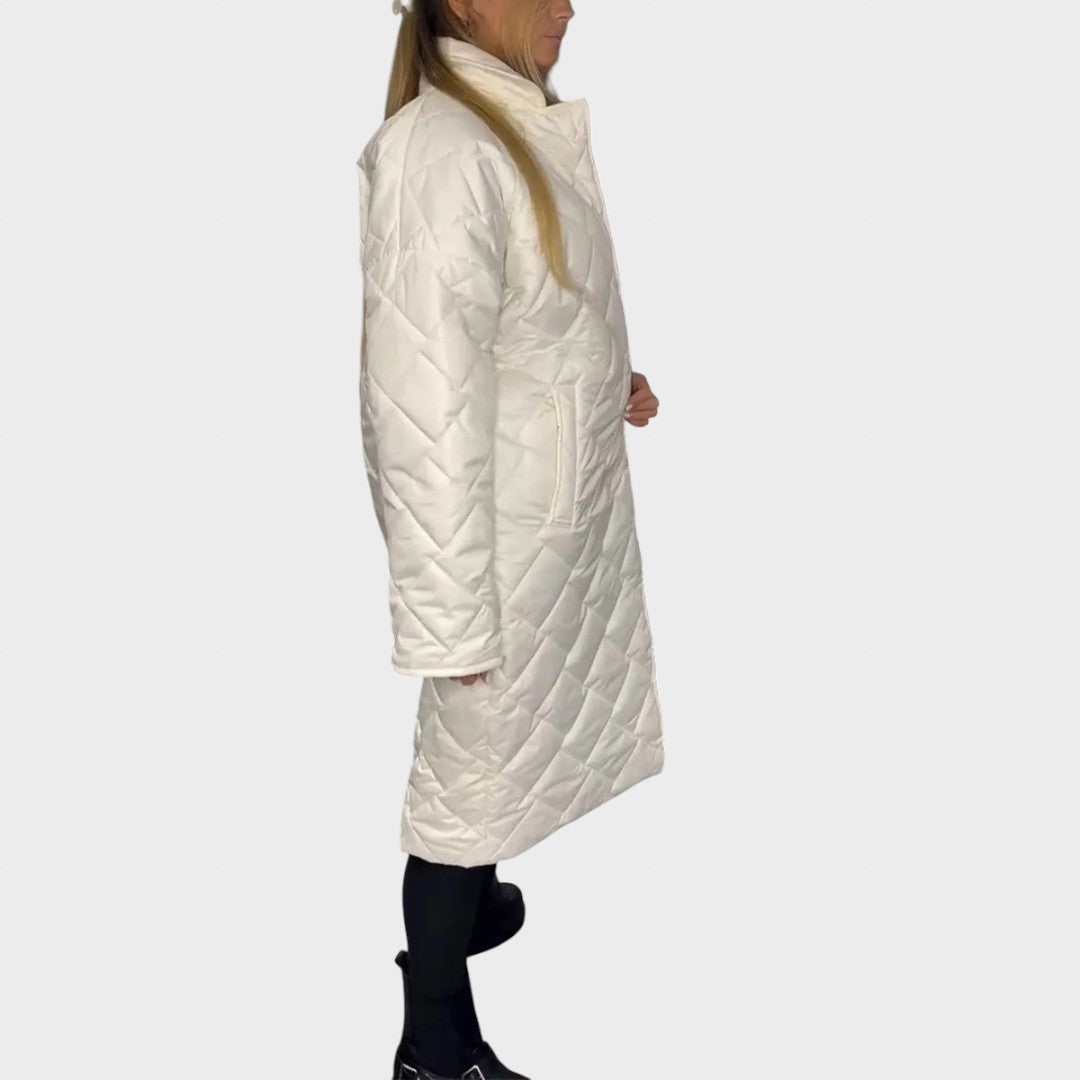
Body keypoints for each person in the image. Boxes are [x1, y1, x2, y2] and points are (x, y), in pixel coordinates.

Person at [355, 1, 665, 1076]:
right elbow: (419, 410)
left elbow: (529, 316)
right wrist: (447, 619)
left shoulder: (509, 122)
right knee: (463, 783)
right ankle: (435, 1038)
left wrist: (603, 378)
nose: (569, 6)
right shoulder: (441, 154)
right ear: (465, 1)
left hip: (545, 519)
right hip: (493, 541)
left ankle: (478, 902)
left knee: (499, 756)